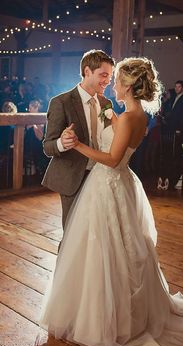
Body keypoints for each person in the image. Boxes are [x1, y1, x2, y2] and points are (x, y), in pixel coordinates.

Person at [39, 57, 183, 346]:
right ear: (87, 72)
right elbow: (55, 143)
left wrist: (78, 144)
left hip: (106, 182)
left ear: (128, 85)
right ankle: (85, 304)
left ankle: (97, 316)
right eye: (105, 76)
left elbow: (112, 158)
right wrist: (108, 114)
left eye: (115, 78)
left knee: (101, 249)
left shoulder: (131, 116)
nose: (111, 83)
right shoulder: (131, 114)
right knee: (101, 247)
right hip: (104, 184)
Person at [42, 49, 115, 229]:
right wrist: (62, 143)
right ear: (87, 71)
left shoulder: (106, 104)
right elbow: (48, 146)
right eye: (103, 75)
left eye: (110, 77)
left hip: (100, 176)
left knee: (97, 229)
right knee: (73, 233)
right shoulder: (61, 102)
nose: (107, 81)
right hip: (73, 178)